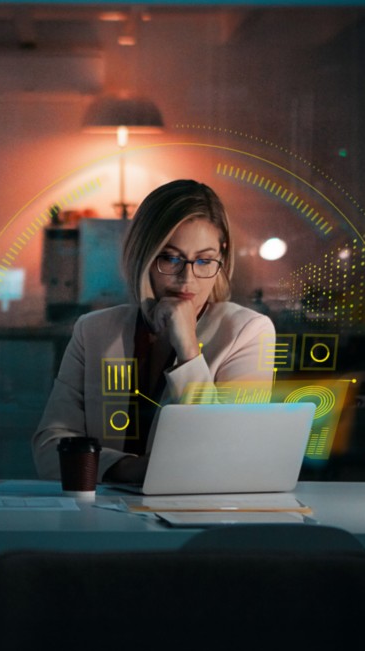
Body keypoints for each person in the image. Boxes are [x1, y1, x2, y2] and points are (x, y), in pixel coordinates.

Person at [32, 179, 277, 484]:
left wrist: (188, 349)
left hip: (199, 514)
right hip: (100, 513)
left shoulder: (247, 332)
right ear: (144, 257)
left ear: (221, 258)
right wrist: (131, 469)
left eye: (204, 260)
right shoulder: (93, 330)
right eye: (171, 258)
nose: (187, 278)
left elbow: (227, 455)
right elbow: (49, 449)